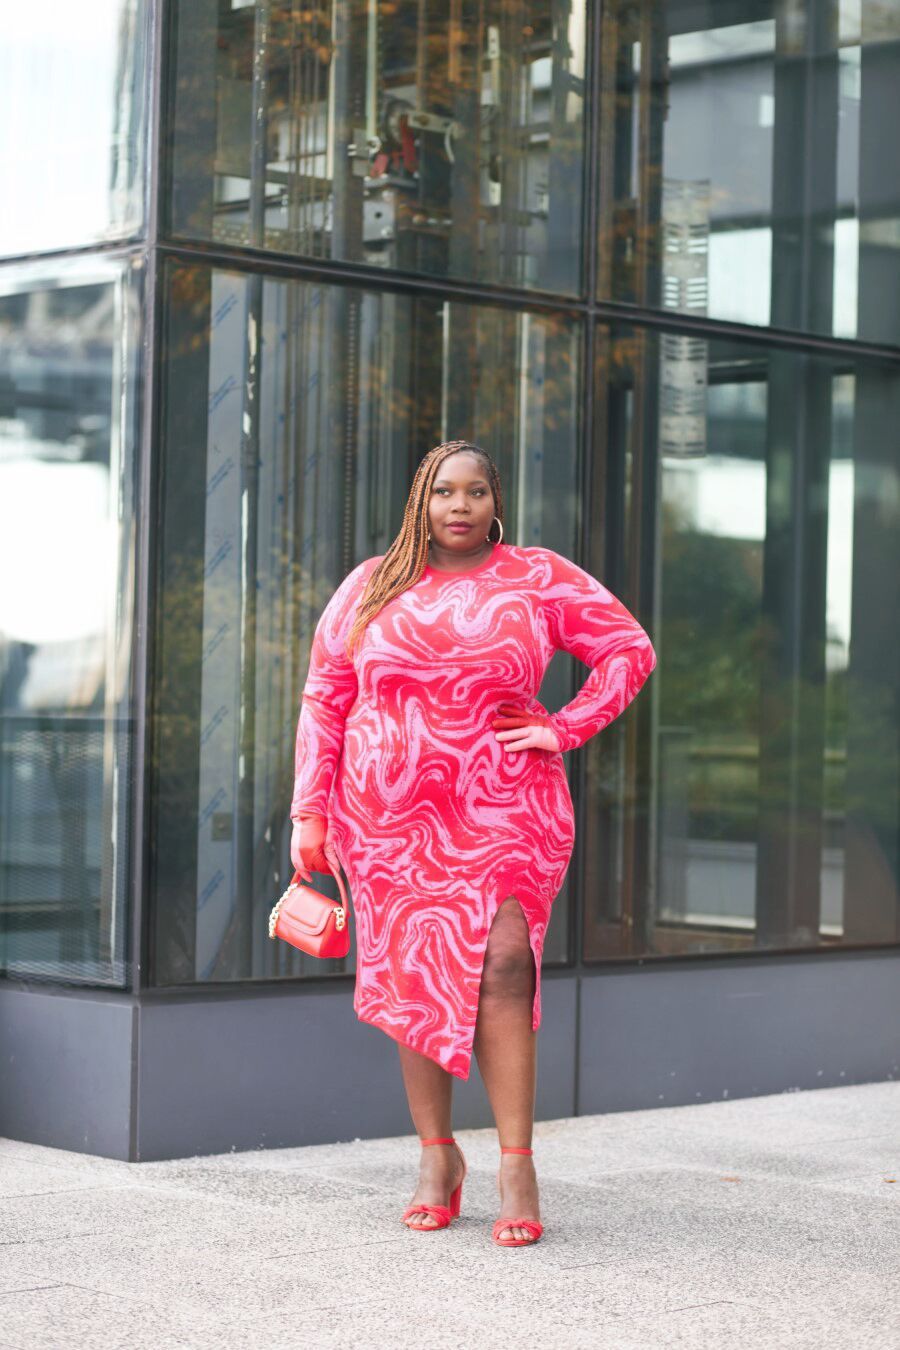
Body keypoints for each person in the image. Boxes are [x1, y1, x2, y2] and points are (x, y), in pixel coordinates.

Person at [289, 439, 656, 1246]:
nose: (459, 506)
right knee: (416, 974)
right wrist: (307, 812)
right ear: (421, 501)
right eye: (443, 492)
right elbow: (325, 699)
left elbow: (630, 651)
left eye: (476, 492)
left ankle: (516, 1163)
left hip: (505, 810)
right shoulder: (373, 583)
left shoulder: (538, 577)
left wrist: (563, 728)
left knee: (503, 964)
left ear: (496, 501)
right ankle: (437, 1157)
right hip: (387, 821)